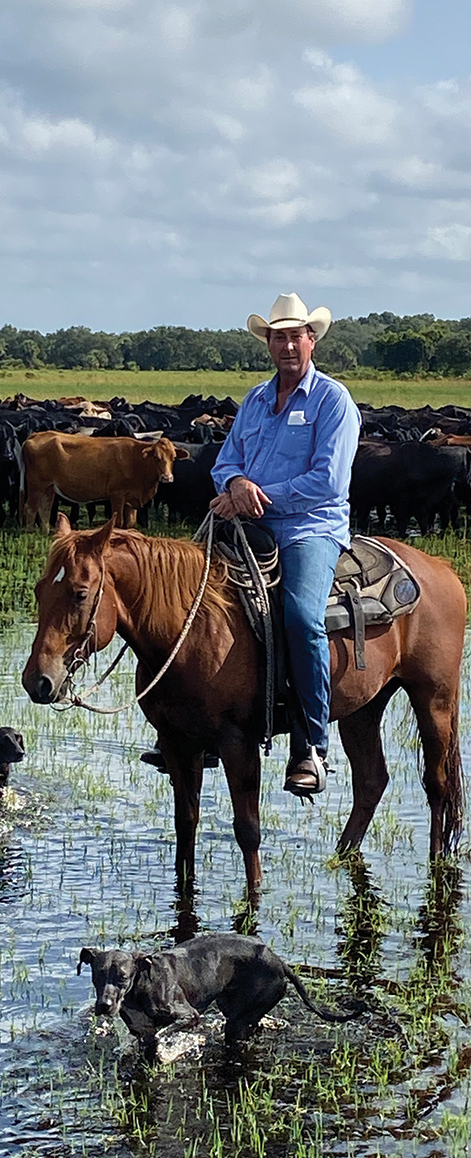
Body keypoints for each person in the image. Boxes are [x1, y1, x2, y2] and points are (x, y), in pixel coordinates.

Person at [209, 292, 362, 795]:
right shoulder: (254, 399)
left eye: (297, 335)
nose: (288, 344)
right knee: (196, 604)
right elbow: (224, 462)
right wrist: (234, 486)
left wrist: (256, 496)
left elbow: (328, 482)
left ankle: (314, 745)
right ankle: (210, 722)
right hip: (249, 524)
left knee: (300, 617)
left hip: (309, 528)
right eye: (279, 336)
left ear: (311, 340)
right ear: (268, 343)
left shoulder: (333, 400)